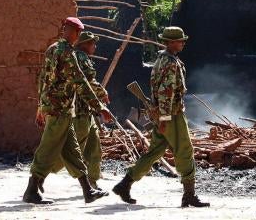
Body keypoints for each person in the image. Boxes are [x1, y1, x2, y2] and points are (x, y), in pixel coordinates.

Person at [112, 26, 209, 208]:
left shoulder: (163, 60)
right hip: (171, 115)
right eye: (180, 40)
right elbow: (166, 93)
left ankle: (124, 184)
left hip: (163, 114)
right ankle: (189, 195)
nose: (183, 43)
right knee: (185, 151)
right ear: (171, 42)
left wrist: (160, 118)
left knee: (154, 152)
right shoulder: (170, 63)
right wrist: (164, 119)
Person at [23, 17, 113, 205]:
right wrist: (100, 107)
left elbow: (43, 81)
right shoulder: (67, 53)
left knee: (73, 152)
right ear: (73, 32)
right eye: (77, 33)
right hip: (60, 109)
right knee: (47, 149)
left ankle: (88, 191)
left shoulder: (52, 49)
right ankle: (31, 190)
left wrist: (40, 107)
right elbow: (80, 82)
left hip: (59, 109)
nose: (77, 36)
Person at [49, 31, 109, 193]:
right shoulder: (80, 58)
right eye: (92, 43)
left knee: (94, 147)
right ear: (84, 45)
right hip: (78, 112)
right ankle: (42, 171)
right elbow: (88, 82)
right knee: (73, 150)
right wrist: (102, 93)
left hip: (86, 111)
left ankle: (92, 182)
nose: (94, 46)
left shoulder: (82, 58)